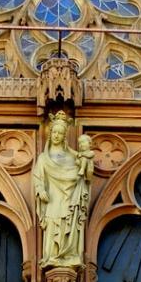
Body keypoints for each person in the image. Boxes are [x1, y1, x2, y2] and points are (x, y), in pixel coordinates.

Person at [33, 110, 92, 268]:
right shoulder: (44, 158)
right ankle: (52, 256)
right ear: (50, 132)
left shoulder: (73, 156)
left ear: (65, 135)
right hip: (53, 197)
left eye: (60, 133)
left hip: (70, 197)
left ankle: (69, 255)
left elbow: (87, 175)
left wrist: (87, 162)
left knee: (69, 223)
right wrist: (41, 190)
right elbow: (38, 177)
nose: (57, 135)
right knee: (54, 223)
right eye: (54, 132)